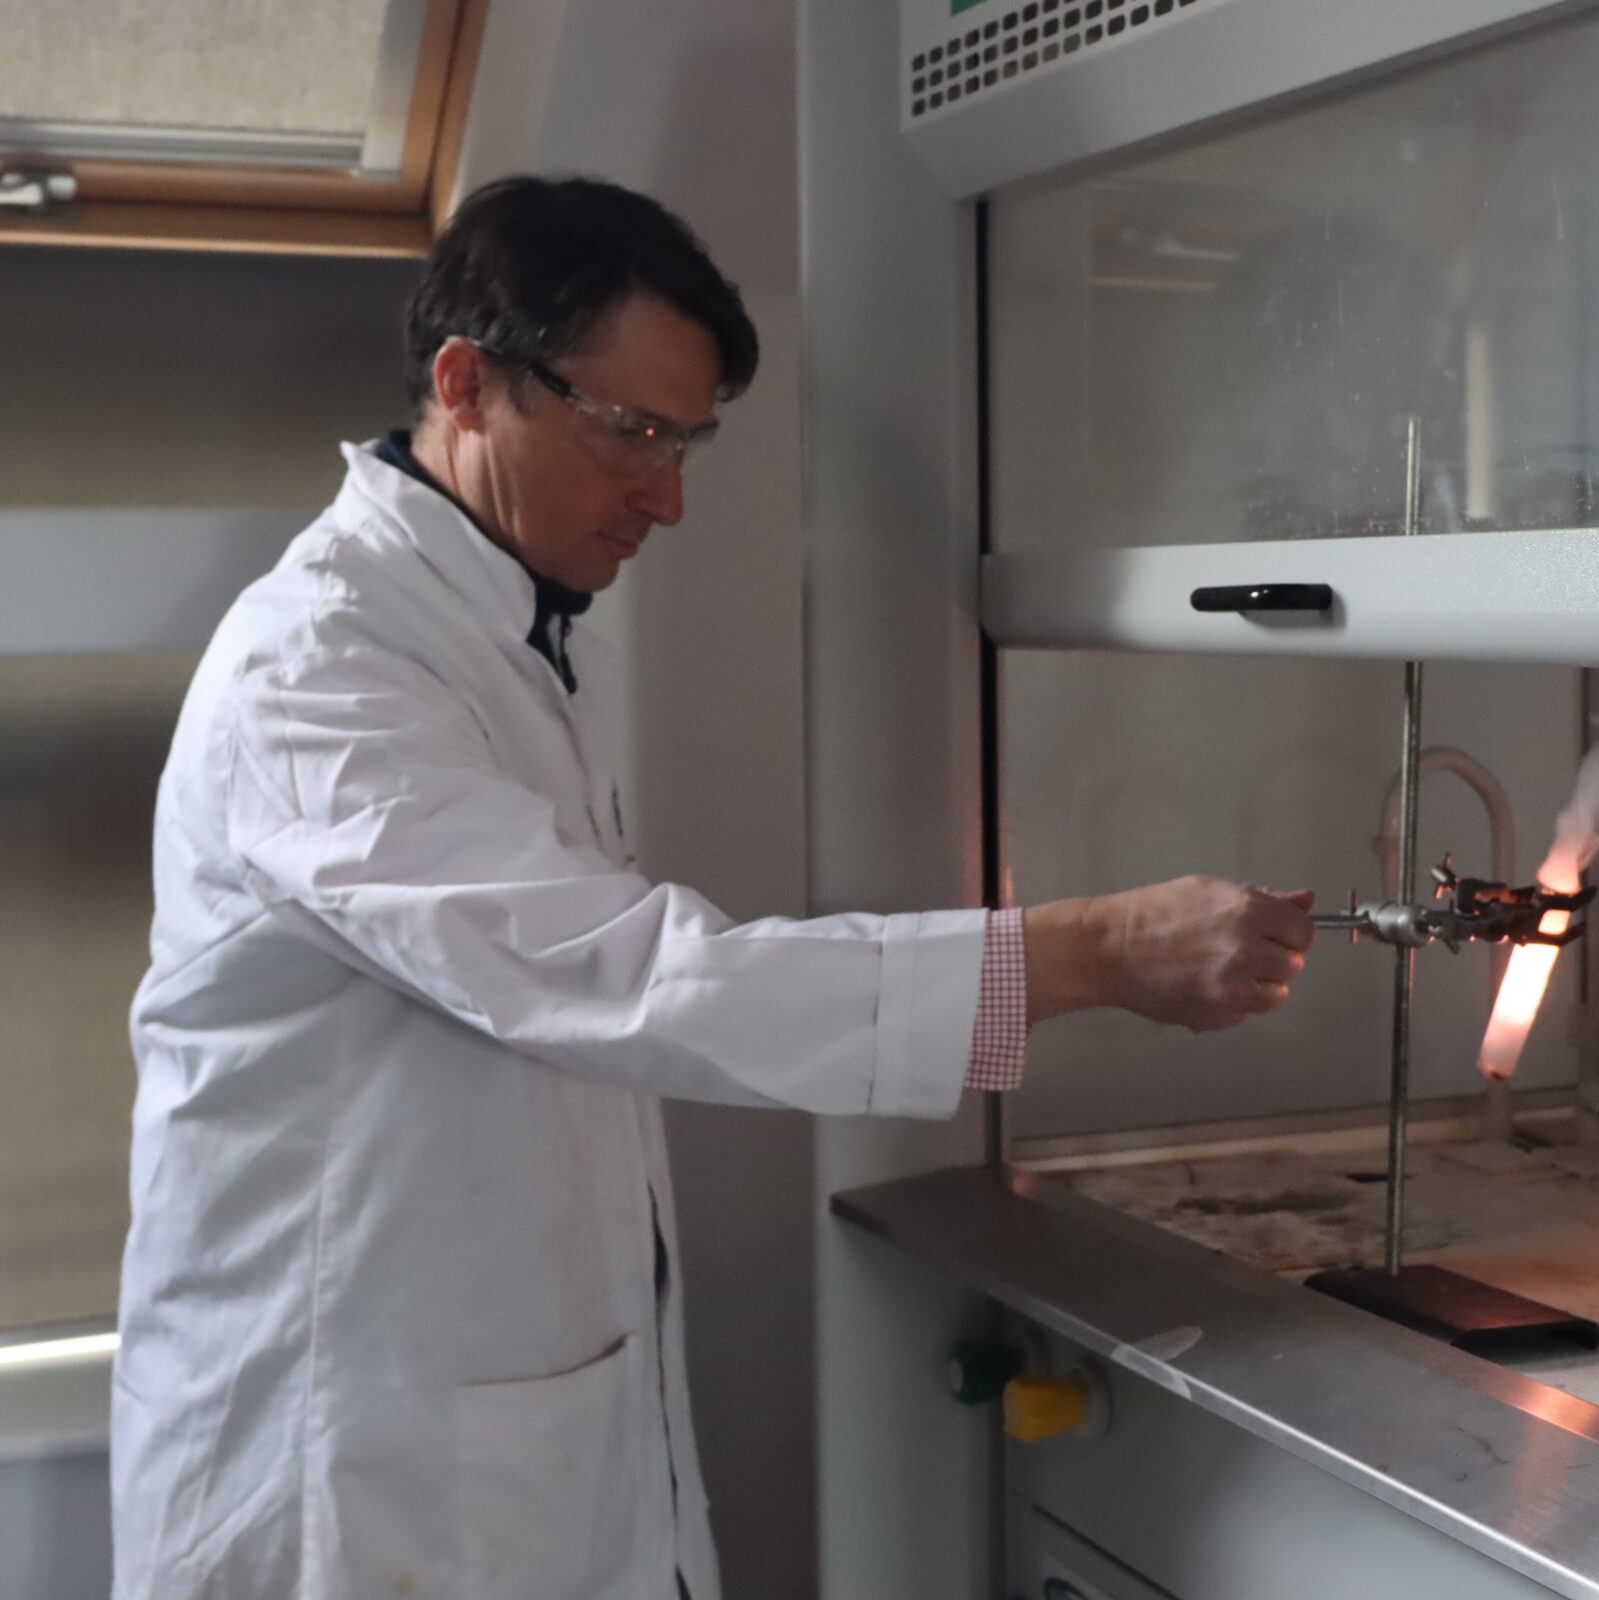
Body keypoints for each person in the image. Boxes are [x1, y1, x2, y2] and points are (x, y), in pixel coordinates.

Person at [111, 175, 1314, 1600]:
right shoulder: (321, 672)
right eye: (632, 432)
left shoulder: (514, 626)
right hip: (343, 1457)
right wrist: (1094, 950)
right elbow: (625, 976)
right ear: (468, 385)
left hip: (490, 1419)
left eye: (687, 443)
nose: (668, 498)